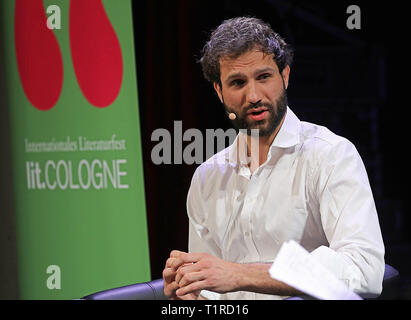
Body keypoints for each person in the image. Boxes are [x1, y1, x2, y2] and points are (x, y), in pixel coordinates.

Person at [163, 16, 385, 300]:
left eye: (264, 77)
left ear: (285, 76)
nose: (253, 95)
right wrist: (191, 294)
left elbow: (366, 270)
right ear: (219, 91)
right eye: (238, 82)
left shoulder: (330, 155)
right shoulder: (207, 178)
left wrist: (241, 274)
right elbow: (213, 292)